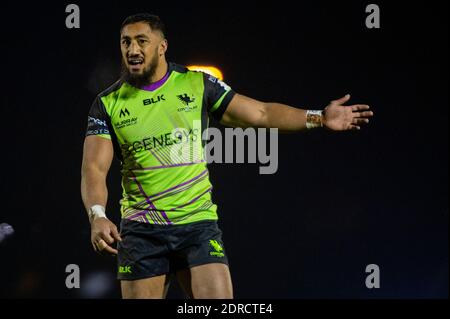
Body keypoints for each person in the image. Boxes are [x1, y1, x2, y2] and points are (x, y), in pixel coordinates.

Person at [81, 13, 373, 299]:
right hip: (142, 232)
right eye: (125, 42)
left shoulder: (197, 85)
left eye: (141, 41)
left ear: (162, 47)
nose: (132, 49)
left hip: (197, 224)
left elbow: (261, 113)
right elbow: (94, 168)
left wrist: (319, 117)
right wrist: (97, 215)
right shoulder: (107, 103)